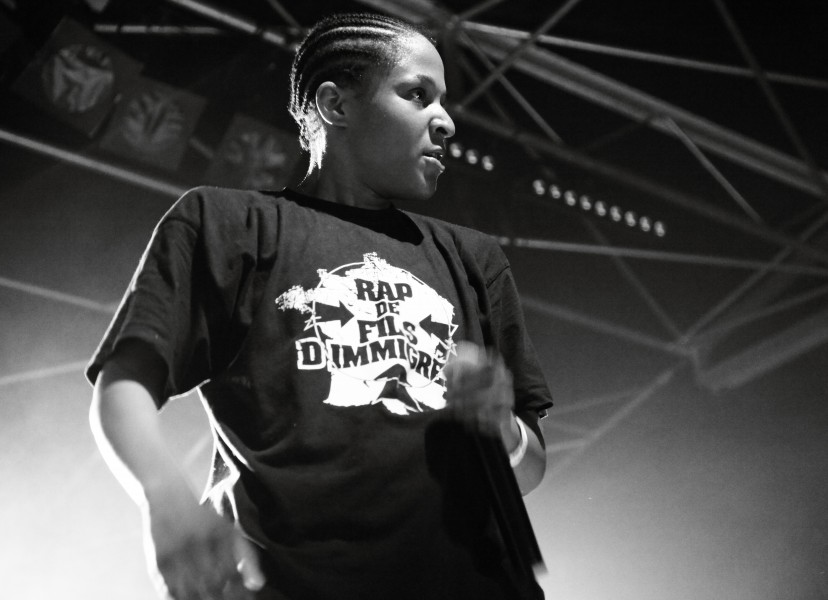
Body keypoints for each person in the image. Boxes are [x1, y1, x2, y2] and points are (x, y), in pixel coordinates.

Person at [87, 12, 553, 600]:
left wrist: (502, 427)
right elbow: (123, 386)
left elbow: (530, 469)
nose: (447, 121)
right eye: (417, 95)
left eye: (443, 101)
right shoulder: (229, 223)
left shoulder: (474, 258)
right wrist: (165, 498)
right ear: (336, 105)